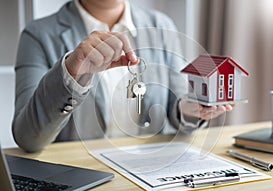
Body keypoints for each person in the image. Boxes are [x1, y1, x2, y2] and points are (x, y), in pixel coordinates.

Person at [13, 0, 232, 152]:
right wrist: (70, 73)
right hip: (80, 172)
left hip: (150, 167)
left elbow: (177, 101)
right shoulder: (38, 34)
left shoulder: (161, 25)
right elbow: (27, 138)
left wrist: (191, 109)